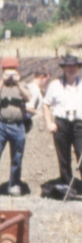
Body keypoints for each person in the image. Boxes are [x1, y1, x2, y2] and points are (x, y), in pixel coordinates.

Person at [43, 54, 82, 197]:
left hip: (79, 123)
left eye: (74, 67)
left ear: (78, 68)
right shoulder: (55, 85)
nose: (72, 69)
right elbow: (46, 104)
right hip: (61, 123)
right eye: (69, 67)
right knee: (63, 158)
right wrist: (49, 123)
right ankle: (68, 187)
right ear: (64, 68)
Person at [0, 55, 32, 195]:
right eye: (7, 70)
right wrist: (3, 81)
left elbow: (28, 98)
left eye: (13, 70)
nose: (10, 74)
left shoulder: (22, 85)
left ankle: (14, 184)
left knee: (17, 157)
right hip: (1, 125)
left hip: (18, 126)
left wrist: (18, 83)